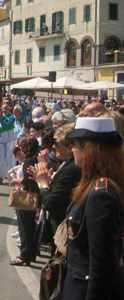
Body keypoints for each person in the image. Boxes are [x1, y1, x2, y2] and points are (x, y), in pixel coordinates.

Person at [61, 117, 124, 299]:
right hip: (76, 284)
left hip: (85, 290)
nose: (72, 149)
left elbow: (102, 265)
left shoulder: (101, 195)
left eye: (75, 145)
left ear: (89, 149)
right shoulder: (95, 187)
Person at [29, 123, 82, 253]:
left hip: (62, 230)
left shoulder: (71, 170)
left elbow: (51, 203)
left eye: (57, 143)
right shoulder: (67, 164)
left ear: (70, 148)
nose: (53, 146)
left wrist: (44, 185)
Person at [9, 136, 40, 266]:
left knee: (25, 228)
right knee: (30, 227)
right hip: (32, 195)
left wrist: (16, 181)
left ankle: (24, 255)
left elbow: (28, 180)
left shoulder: (29, 161)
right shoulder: (34, 159)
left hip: (26, 197)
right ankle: (31, 252)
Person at [0, 107, 15, 185]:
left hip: (5, 145)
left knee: (6, 161)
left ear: (1, 113)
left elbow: (11, 134)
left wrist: (10, 143)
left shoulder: (7, 121)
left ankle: (6, 176)